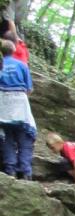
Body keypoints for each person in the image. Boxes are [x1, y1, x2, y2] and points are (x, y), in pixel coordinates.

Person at [0, 39, 36, 179]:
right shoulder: (22, 65)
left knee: (7, 137)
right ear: (14, 50)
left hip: (2, 104)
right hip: (20, 103)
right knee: (25, 137)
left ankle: (10, 171)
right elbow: (29, 89)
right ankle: (26, 172)